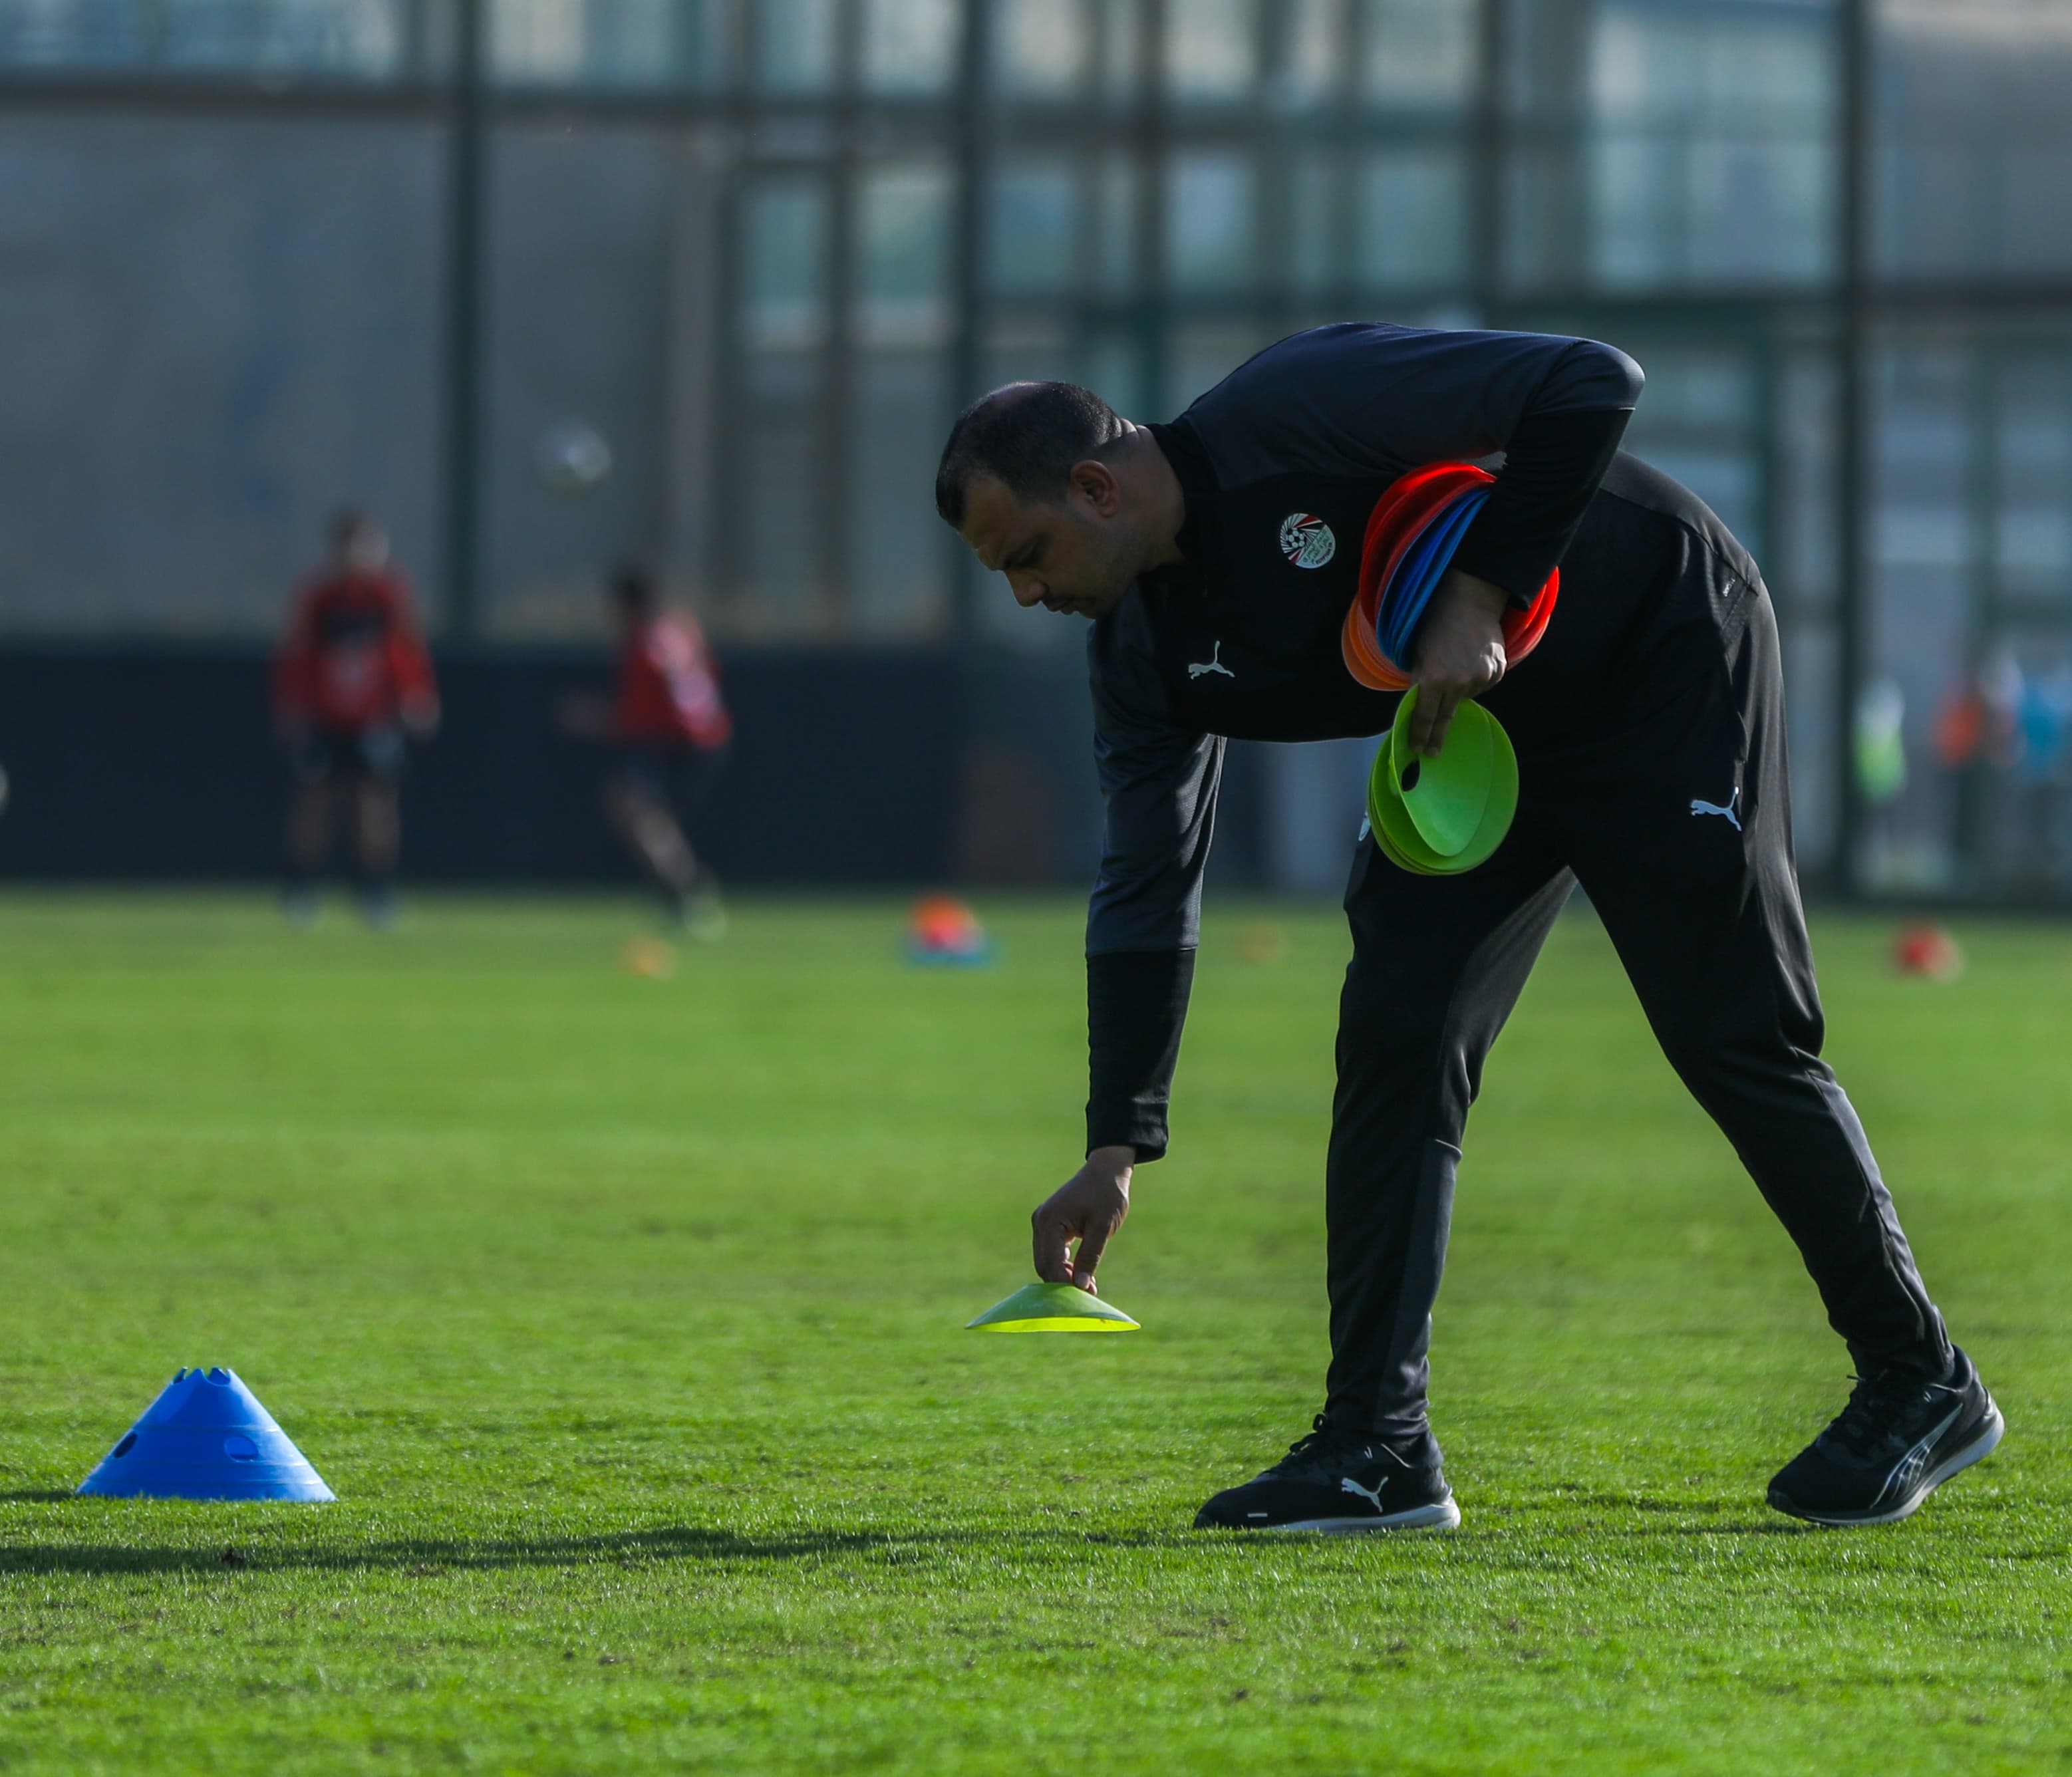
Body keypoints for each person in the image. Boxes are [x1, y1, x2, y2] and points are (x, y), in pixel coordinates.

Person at [934, 325, 2001, 1533]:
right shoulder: (1142, 653)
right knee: (1396, 1027)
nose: (1029, 593)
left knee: (1731, 1032)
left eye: (1027, 553)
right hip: (1477, 748)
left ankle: (1921, 1378)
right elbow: (1145, 880)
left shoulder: (1293, 406)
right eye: (1004, 578)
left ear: (1094, 483)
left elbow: (1595, 381)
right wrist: (1115, 1141)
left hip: (1658, 649)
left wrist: (1480, 594)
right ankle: (1377, 1446)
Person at [273, 509, 439, 927]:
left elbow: (406, 649)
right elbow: (299, 654)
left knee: (375, 809)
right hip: (325, 718)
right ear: (341, 550)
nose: (366, 555)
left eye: (373, 546)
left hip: (373, 719)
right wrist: (293, 707)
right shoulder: (320, 599)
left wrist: (417, 695)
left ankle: (376, 892)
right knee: (313, 806)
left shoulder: (389, 595)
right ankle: (300, 889)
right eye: (357, 546)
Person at [563, 565, 731, 936]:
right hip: (705, 738)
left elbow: (633, 719)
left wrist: (590, 718)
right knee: (643, 815)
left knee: (637, 813)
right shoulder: (682, 631)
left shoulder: (643, 647)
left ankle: (687, 894)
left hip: (676, 742)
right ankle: (685, 892)